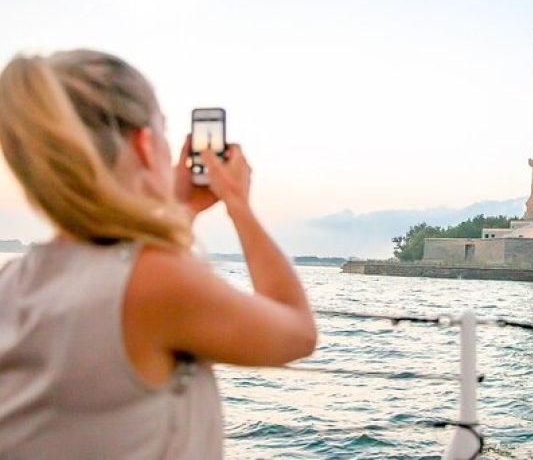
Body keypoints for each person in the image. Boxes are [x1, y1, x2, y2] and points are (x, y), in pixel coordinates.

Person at [0, 50, 317, 458]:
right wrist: (238, 203)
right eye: (163, 131)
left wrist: (179, 206)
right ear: (146, 145)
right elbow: (297, 332)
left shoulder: (13, 283)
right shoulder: (155, 282)